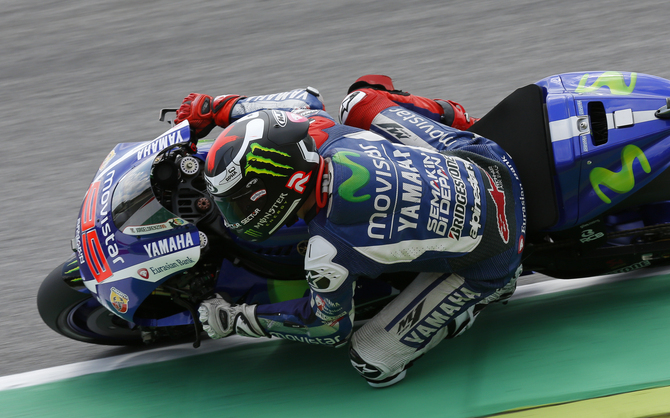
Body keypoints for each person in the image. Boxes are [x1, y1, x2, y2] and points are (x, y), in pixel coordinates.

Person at [175, 75, 526, 387]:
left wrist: (238, 318)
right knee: (359, 100)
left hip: (497, 249)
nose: (234, 214)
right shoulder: (317, 133)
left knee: (371, 360)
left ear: (281, 189)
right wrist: (217, 107)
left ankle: (483, 297)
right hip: (488, 160)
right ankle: (468, 120)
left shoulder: (328, 252)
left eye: (238, 204)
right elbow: (304, 100)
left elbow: (329, 329)